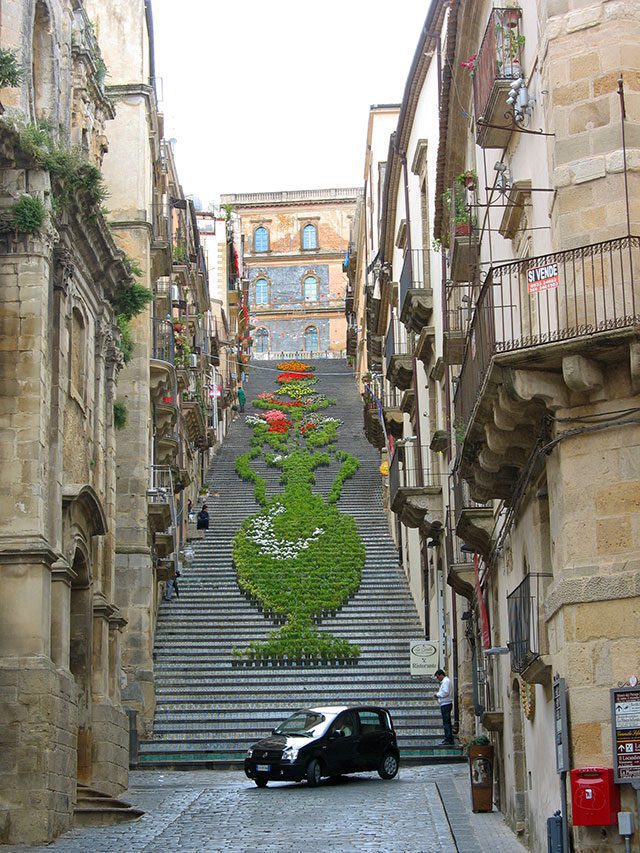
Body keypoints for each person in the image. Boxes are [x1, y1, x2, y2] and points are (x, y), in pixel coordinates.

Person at [434, 668, 454, 744]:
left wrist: (437, 695)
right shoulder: (446, 681)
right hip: (445, 704)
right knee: (447, 722)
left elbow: (445, 692)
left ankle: (448, 739)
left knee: (446, 723)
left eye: (438, 677)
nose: (437, 679)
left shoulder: (446, 682)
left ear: (441, 675)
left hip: (446, 704)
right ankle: (449, 738)